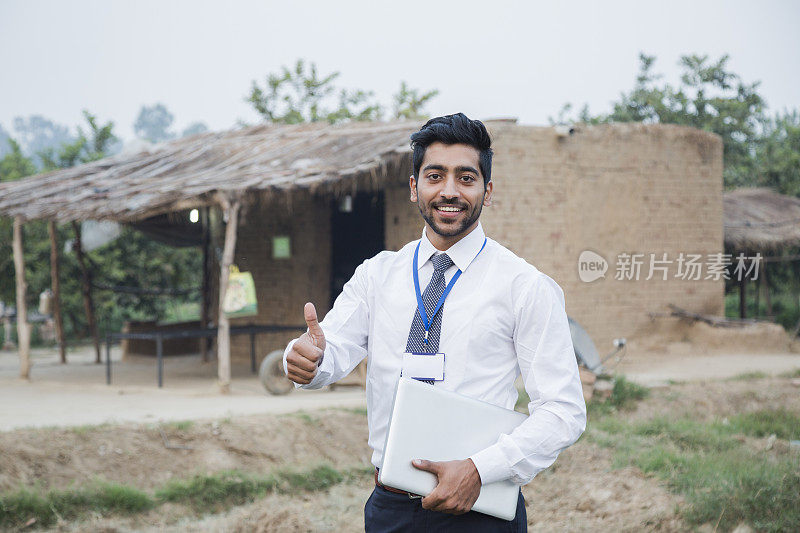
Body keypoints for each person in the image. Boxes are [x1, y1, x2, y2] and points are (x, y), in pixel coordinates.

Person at [283, 113, 586, 532]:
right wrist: (307, 361)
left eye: (466, 178)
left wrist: (479, 469)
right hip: (390, 509)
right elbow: (330, 350)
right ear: (414, 187)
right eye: (435, 175)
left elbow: (563, 411)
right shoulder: (377, 275)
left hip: (479, 509)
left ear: (488, 190)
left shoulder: (525, 286)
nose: (449, 191)